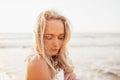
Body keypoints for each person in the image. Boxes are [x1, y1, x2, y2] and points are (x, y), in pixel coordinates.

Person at [24, 9, 77, 80]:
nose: (56, 44)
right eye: (49, 37)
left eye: (60, 37)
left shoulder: (55, 61)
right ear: (39, 37)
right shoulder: (36, 61)